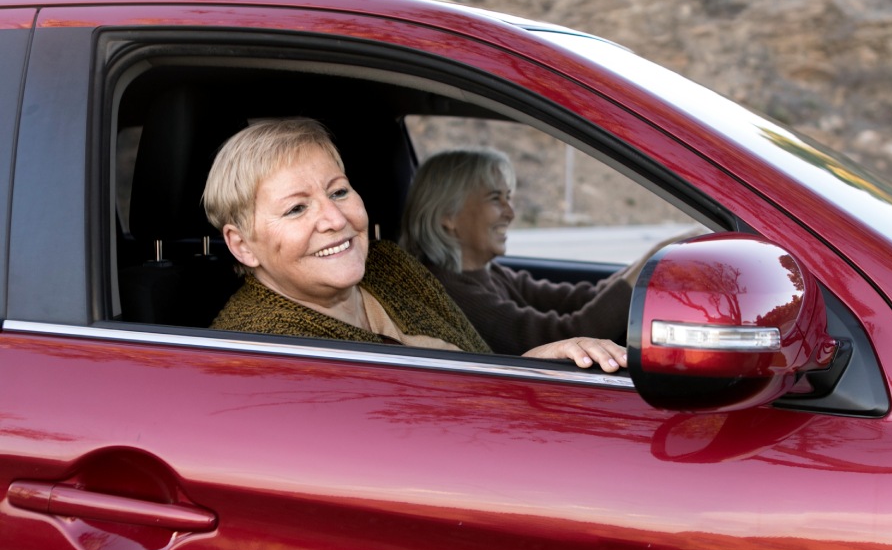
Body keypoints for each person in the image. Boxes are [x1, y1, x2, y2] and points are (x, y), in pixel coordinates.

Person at [201, 118, 626, 372]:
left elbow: (473, 363)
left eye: (339, 192)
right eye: (296, 209)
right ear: (243, 246)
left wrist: (533, 364)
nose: (334, 219)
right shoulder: (260, 348)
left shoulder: (388, 264)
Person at [401, 147, 695, 355]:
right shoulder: (451, 292)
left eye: (509, 198)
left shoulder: (489, 274)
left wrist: (654, 258)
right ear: (448, 216)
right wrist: (659, 259)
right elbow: (566, 335)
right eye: (495, 199)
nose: (510, 213)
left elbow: (583, 299)